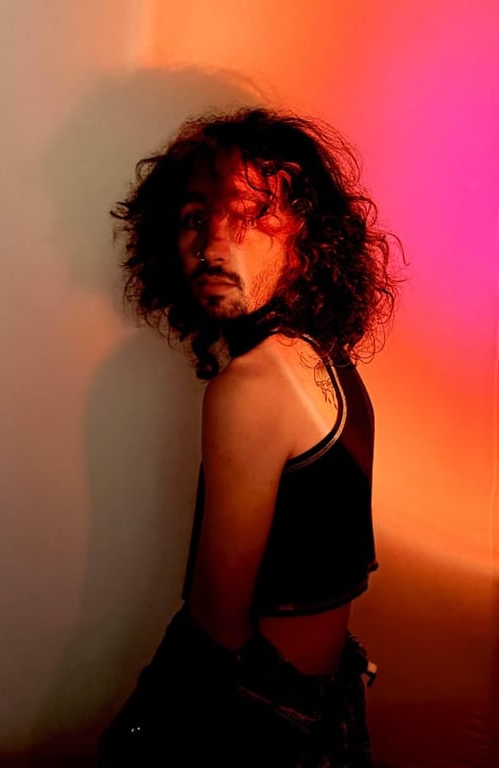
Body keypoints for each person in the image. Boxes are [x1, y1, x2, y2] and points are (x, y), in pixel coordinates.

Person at [97, 107, 401, 767]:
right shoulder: (315, 354)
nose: (212, 245)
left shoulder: (252, 384)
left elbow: (217, 627)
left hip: (261, 720)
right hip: (325, 706)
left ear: (307, 237)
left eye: (247, 217)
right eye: (193, 218)